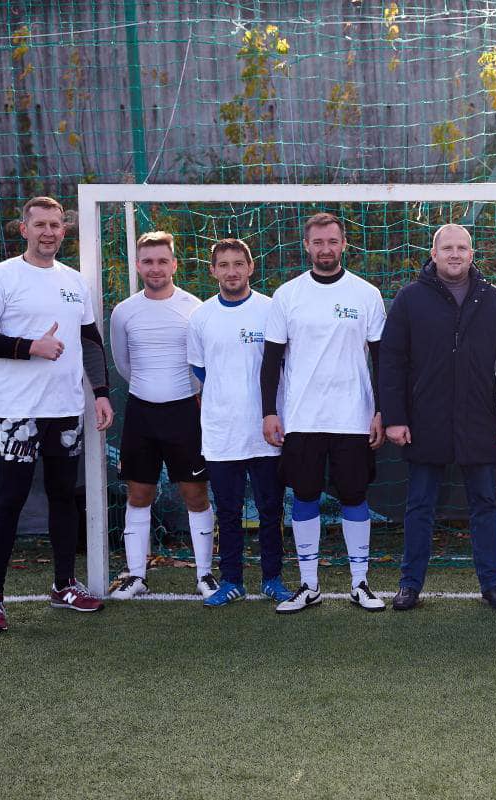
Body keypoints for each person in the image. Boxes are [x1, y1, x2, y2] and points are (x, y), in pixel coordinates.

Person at [0, 196, 114, 632]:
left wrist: (101, 393)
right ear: (24, 229)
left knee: (64, 496)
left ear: (64, 230)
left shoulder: (74, 281)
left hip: (65, 409)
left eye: (55, 225)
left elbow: (90, 342)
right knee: (9, 500)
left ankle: (64, 585)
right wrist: (30, 347)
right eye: (40, 224)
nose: (48, 232)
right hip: (18, 411)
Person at [380, 223, 496, 611]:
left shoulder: (492, 299)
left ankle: (491, 584)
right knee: (419, 506)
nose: (455, 254)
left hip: (479, 419)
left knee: (485, 505)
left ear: (472, 254)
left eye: (462, 247)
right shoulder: (410, 298)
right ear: (434, 254)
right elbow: (391, 362)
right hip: (425, 419)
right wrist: (394, 417)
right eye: (448, 248)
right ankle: (410, 585)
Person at [262, 213, 387, 614]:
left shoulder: (366, 294)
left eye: (332, 241)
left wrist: (381, 410)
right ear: (306, 245)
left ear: (344, 244)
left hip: (353, 417)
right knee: (304, 497)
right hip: (302, 418)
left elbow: (382, 360)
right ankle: (309, 585)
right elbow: (271, 361)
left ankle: (360, 583)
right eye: (318, 242)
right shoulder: (287, 295)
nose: (325, 249)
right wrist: (269, 412)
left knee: (354, 496)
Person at [108, 231, 216, 601]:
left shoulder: (195, 308)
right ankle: (136, 576)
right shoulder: (124, 312)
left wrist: (178, 392)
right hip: (141, 412)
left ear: (174, 264)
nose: (155, 268)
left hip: (185, 412)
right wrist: (151, 389)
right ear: (138, 266)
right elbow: (123, 364)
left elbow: (200, 365)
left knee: (195, 493)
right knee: (139, 493)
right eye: (148, 261)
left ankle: (205, 575)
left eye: (162, 261)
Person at [187, 239, 289, 607]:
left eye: (238, 264)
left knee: (270, 509)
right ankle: (231, 580)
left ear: (250, 267)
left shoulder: (271, 310)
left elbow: (282, 364)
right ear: (213, 270)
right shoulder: (201, 316)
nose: (232, 272)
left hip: (265, 430)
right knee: (228, 511)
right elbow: (200, 369)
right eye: (224, 265)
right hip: (221, 430)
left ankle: (273, 579)